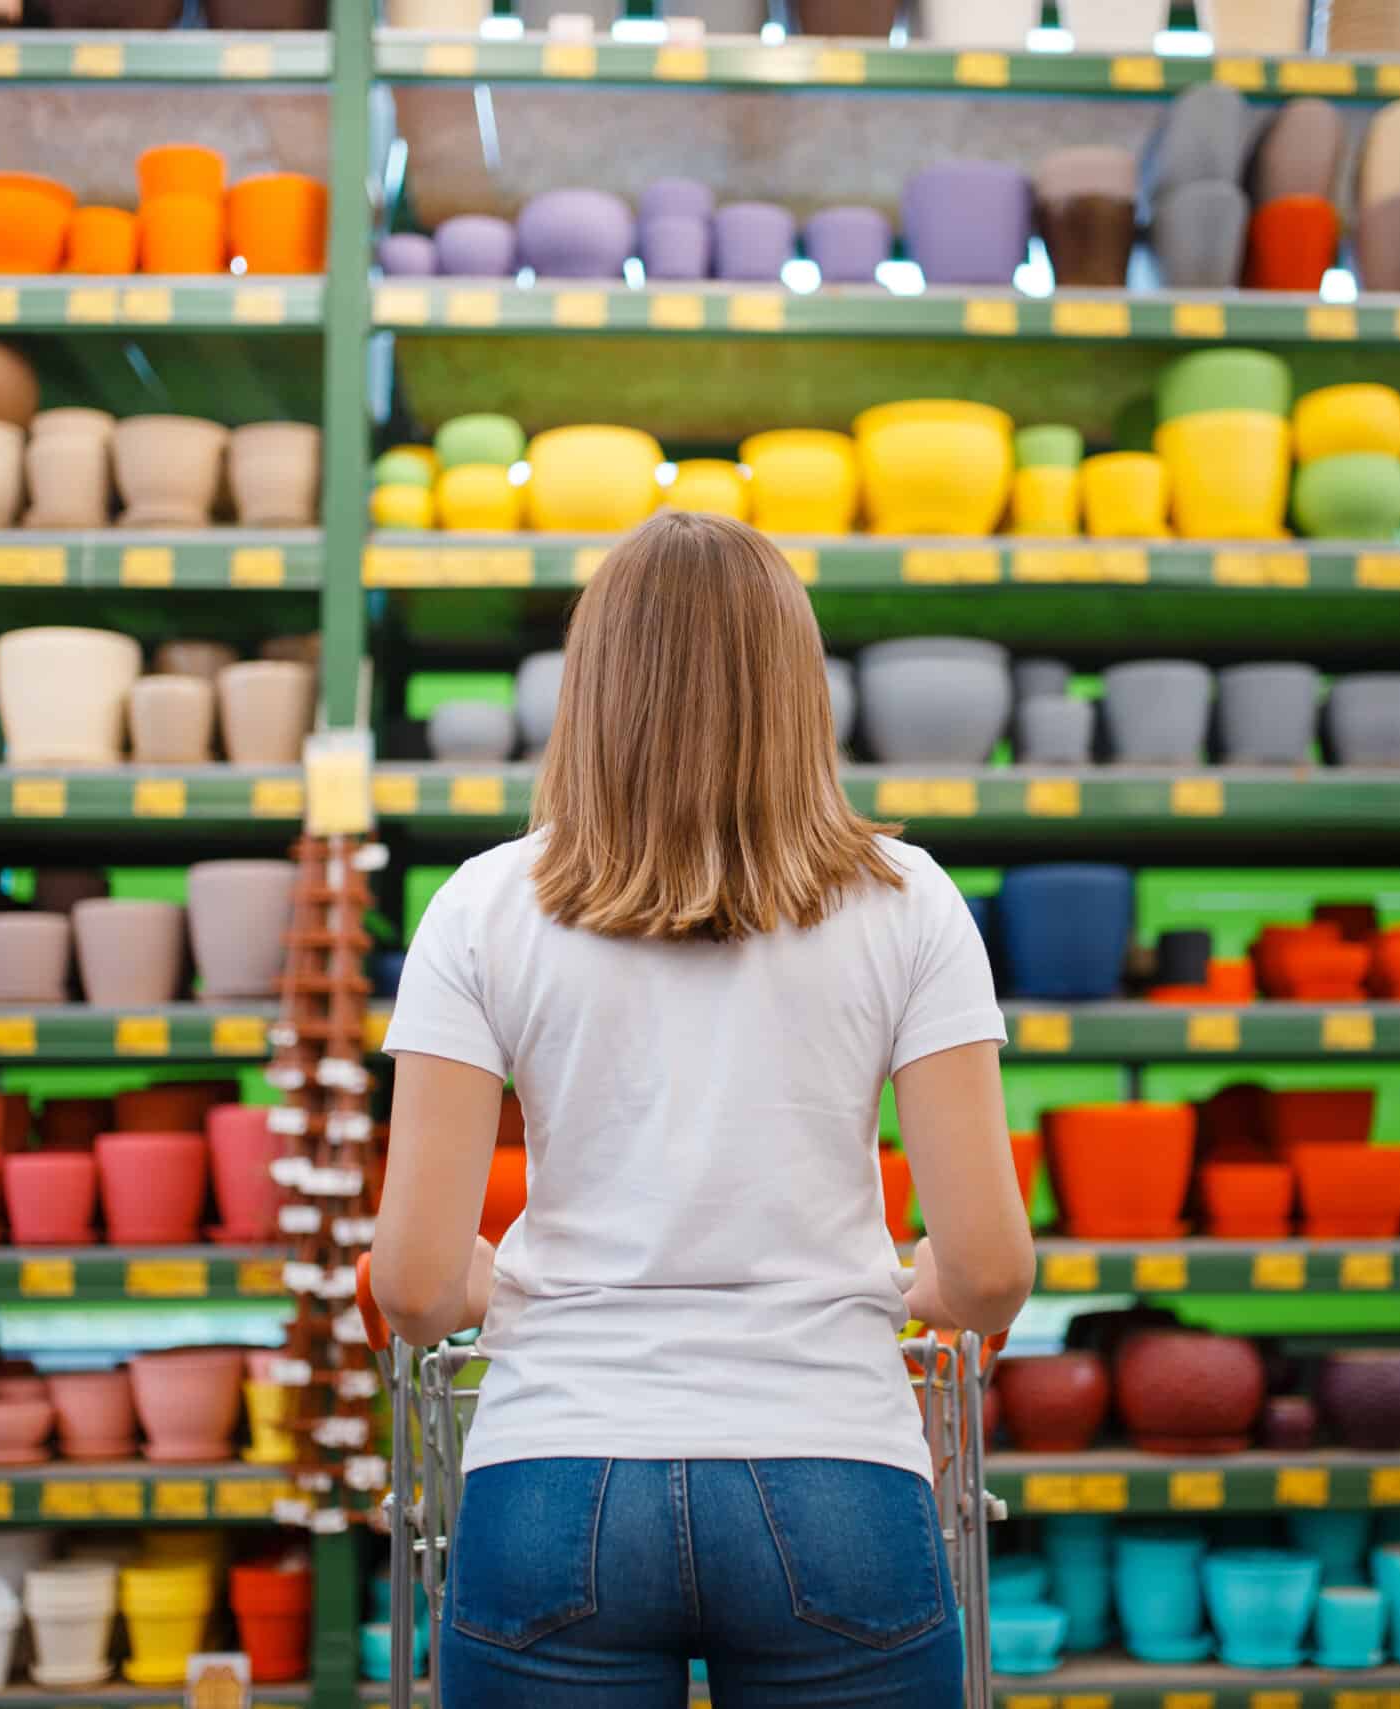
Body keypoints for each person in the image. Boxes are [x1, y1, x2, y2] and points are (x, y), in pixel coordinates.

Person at [372, 510, 1034, 1707]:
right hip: (836, 1472)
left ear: (593, 685)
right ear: (794, 686)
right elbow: (987, 1272)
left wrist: (502, 1282)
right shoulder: (910, 902)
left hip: (554, 1477)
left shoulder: (478, 909)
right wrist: (903, 1281)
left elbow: (414, 1285)